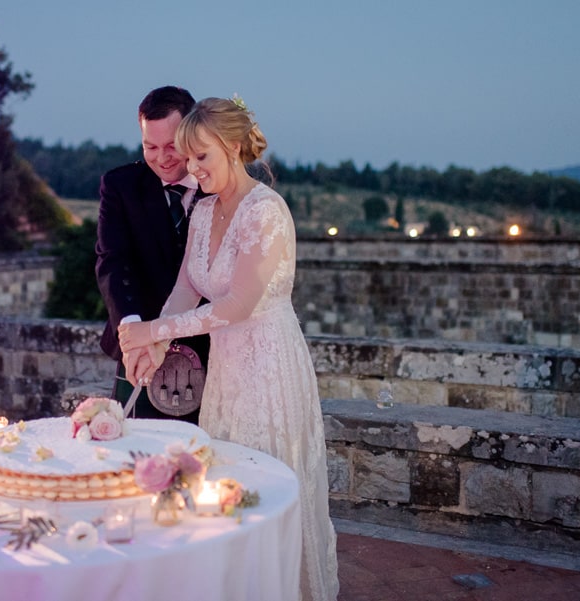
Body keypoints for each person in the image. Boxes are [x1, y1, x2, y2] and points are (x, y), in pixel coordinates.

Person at [118, 96, 340, 601]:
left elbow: (239, 304)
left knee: (266, 485)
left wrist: (152, 332)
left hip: (268, 365)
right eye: (188, 158)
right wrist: (156, 341)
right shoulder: (202, 210)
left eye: (202, 157)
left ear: (234, 147)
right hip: (228, 370)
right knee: (224, 485)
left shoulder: (266, 210)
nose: (192, 169)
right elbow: (183, 291)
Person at [95, 86, 209, 422]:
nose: (162, 158)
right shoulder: (120, 185)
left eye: (172, 146)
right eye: (150, 146)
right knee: (136, 462)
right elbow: (112, 260)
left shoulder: (218, 184)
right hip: (138, 351)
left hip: (214, 354)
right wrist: (132, 333)